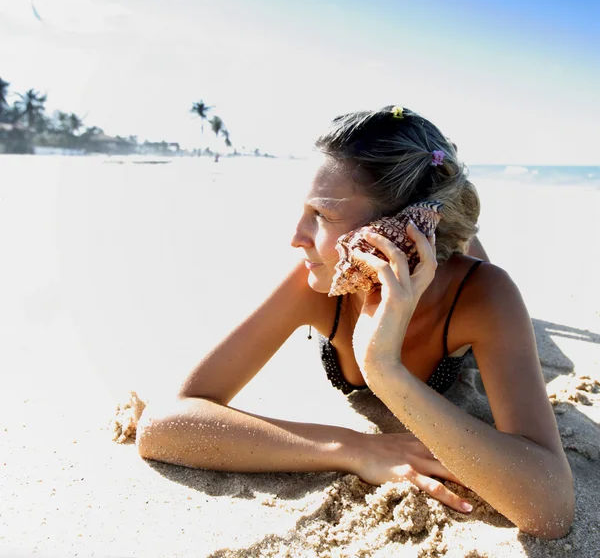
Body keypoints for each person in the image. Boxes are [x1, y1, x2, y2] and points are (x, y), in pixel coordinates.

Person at [136, 105, 574, 539]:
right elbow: (162, 427)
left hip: (455, 276)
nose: (294, 237)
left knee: (496, 286)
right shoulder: (315, 284)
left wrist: (386, 373)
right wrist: (354, 447)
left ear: (397, 229)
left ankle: (452, 239)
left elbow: (550, 509)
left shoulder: (483, 295)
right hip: (423, 255)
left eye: (321, 215)